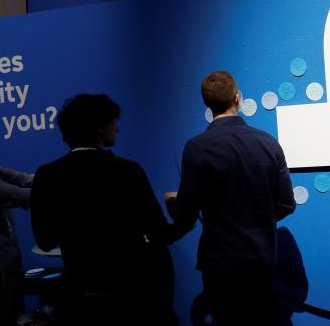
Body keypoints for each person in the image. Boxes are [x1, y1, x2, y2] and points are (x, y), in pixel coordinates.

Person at [31, 94, 182, 325]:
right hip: (133, 294)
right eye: (113, 121)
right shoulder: (128, 171)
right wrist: (185, 222)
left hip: (83, 295)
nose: (117, 128)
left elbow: (44, 241)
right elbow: (159, 232)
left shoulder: (47, 175)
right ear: (101, 129)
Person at [165, 71, 296, 325]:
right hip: (261, 261)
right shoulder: (268, 143)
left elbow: (186, 215)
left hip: (220, 263)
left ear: (207, 104)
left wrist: (171, 200)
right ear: (238, 98)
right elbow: (286, 204)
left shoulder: (197, 147)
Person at [0, 103, 33, 326]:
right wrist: (54, 193)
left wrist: (55, 178)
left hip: (3, 265)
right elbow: (4, 191)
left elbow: (17, 178)